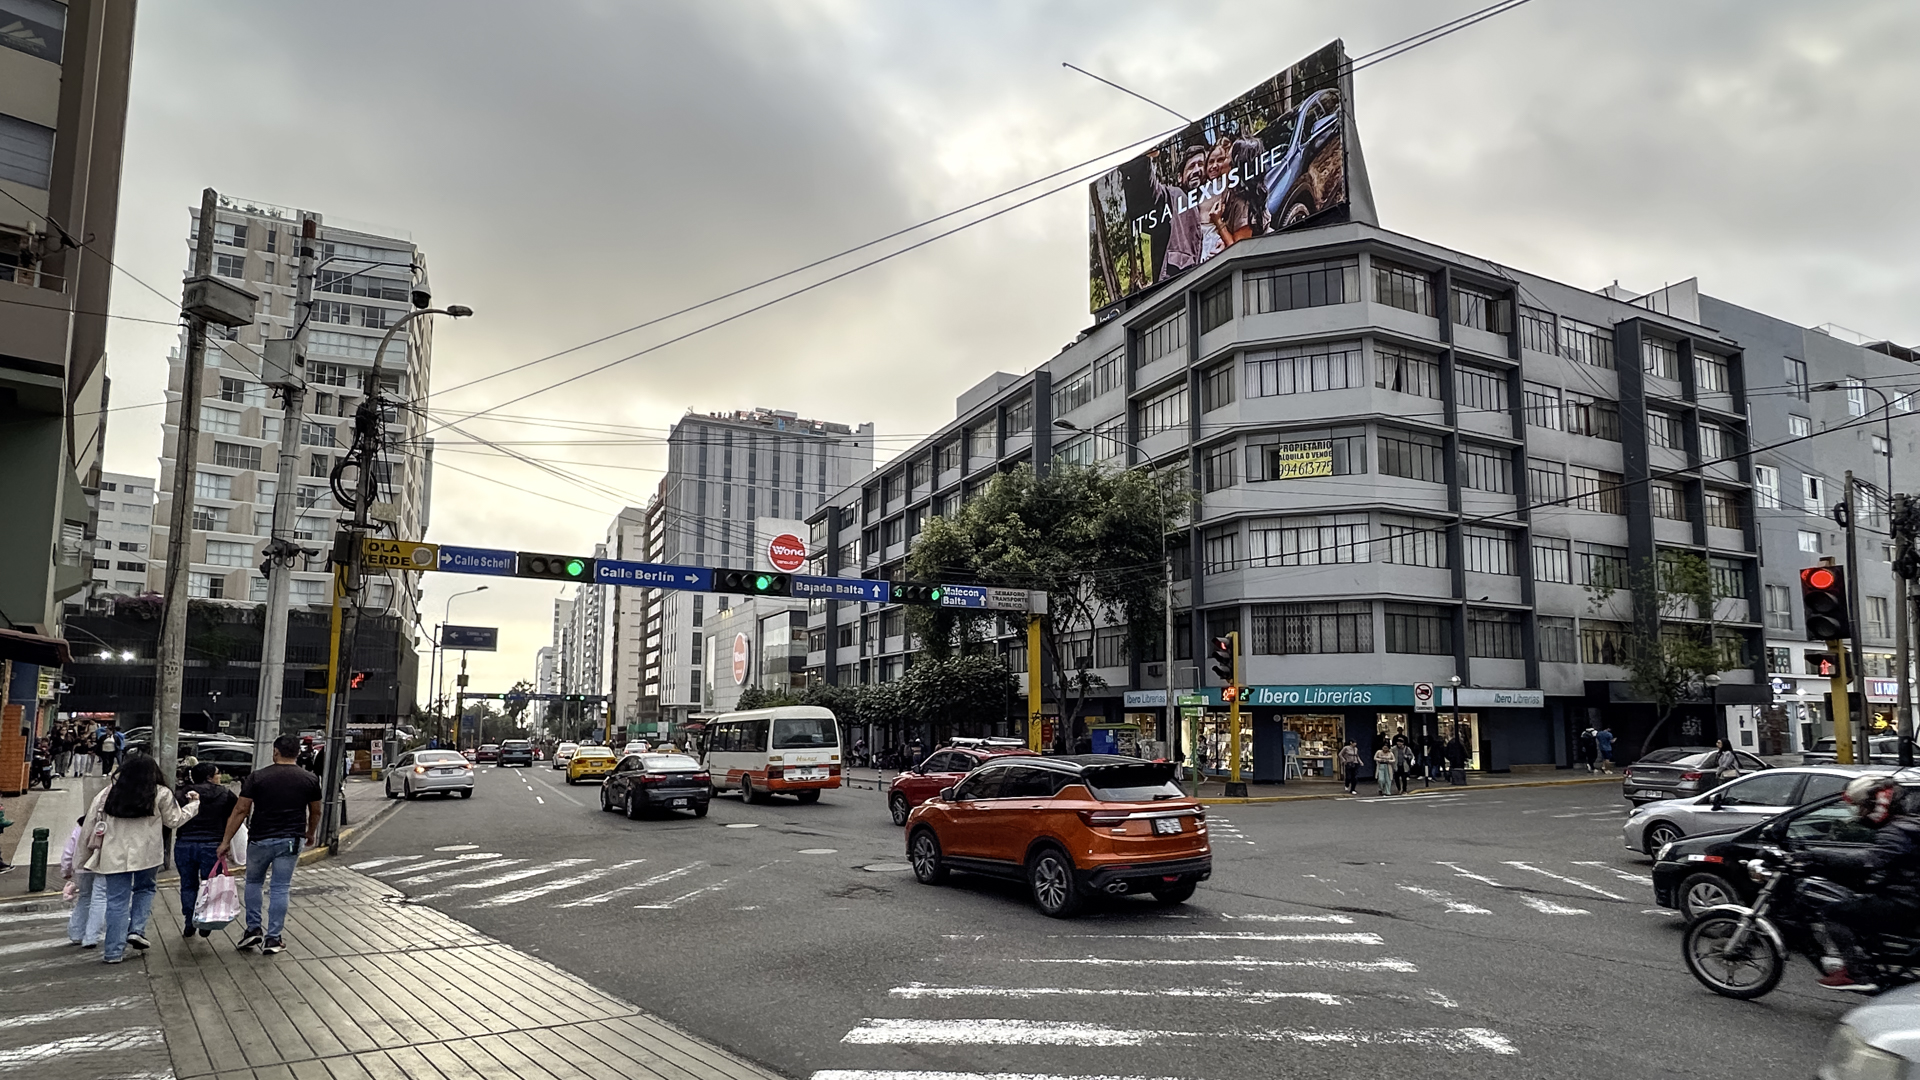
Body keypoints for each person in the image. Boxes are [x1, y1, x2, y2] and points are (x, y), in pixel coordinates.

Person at [1798, 775, 1920, 991]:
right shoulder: (1908, 824)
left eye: (1862, 807)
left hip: (1905, 900)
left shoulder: (1895, 831)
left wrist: (1817, 854)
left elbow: (1870, 860)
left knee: (1833, 913)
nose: (1859, 813)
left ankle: (1856, 974)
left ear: (1877, 804)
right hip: (1909, 894)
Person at [80, 754, 200, 963]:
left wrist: (82, 858)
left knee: (116, 901)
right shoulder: (160, 793)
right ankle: (136, 929)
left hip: (113, 854)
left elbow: (89, 824)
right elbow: (174, 820)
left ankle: (113, 952)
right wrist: (194, 805)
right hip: (147, 854)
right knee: (145, 889)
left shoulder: (109, 792)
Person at [218, 734, 321, 955]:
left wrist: (226, 841)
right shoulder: (310, 779)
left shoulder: (257, 777)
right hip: (291, 839)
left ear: (275, 751)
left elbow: (241, 810)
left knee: (253, 882)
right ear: (297, 753)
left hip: (260, 838)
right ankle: (273, 938)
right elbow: (316, 811)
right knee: (280, 887)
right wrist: (310, 833)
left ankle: (253, 929)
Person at [174, 762, 238, 939]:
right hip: (213, 845)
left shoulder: (183, 793)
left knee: (188, 885)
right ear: (210, 777)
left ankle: (189, 921)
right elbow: (237, 813)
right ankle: (206, 920)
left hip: (185, 843)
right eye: (217, 773)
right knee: (210, 885)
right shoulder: (225, 793)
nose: (220, 776)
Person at [61, 815, 107, 947]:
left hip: (82, 867)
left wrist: (66, 870)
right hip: (101, 866)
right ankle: (91, 936)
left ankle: (76, 933)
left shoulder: (80, 827)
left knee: (85, 898)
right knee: (100, 899)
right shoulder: (106, 826)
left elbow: (69, 851)